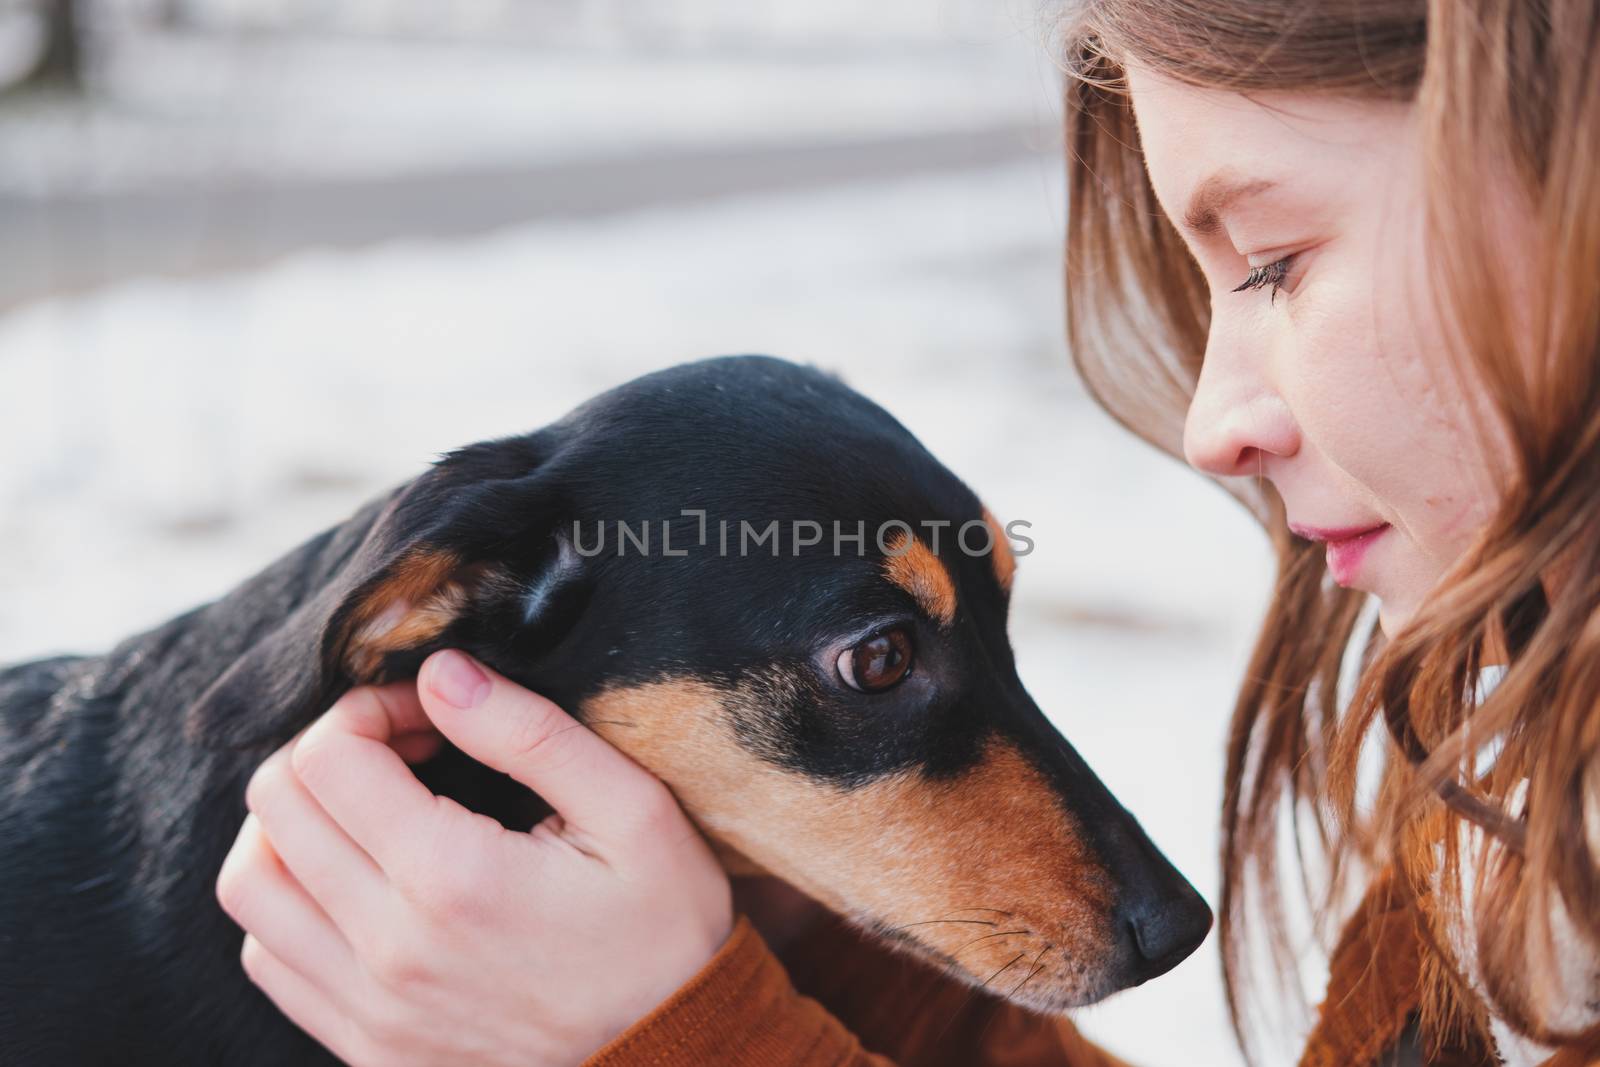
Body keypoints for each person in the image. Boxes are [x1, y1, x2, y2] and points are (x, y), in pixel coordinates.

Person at [214, 1, 1600, 1064]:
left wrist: (672, 1040)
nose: (1210, 424)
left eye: (1280, 264)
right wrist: (815, 953)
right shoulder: (1523, 785)